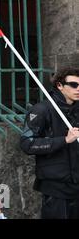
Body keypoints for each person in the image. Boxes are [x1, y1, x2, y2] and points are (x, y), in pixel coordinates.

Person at [20, 67, 79, 219]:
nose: (78, 89)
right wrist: (64, 140)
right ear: (59, 85)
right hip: (55, 187)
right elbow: (27, 143)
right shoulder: (41, 110)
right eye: (73, 85)